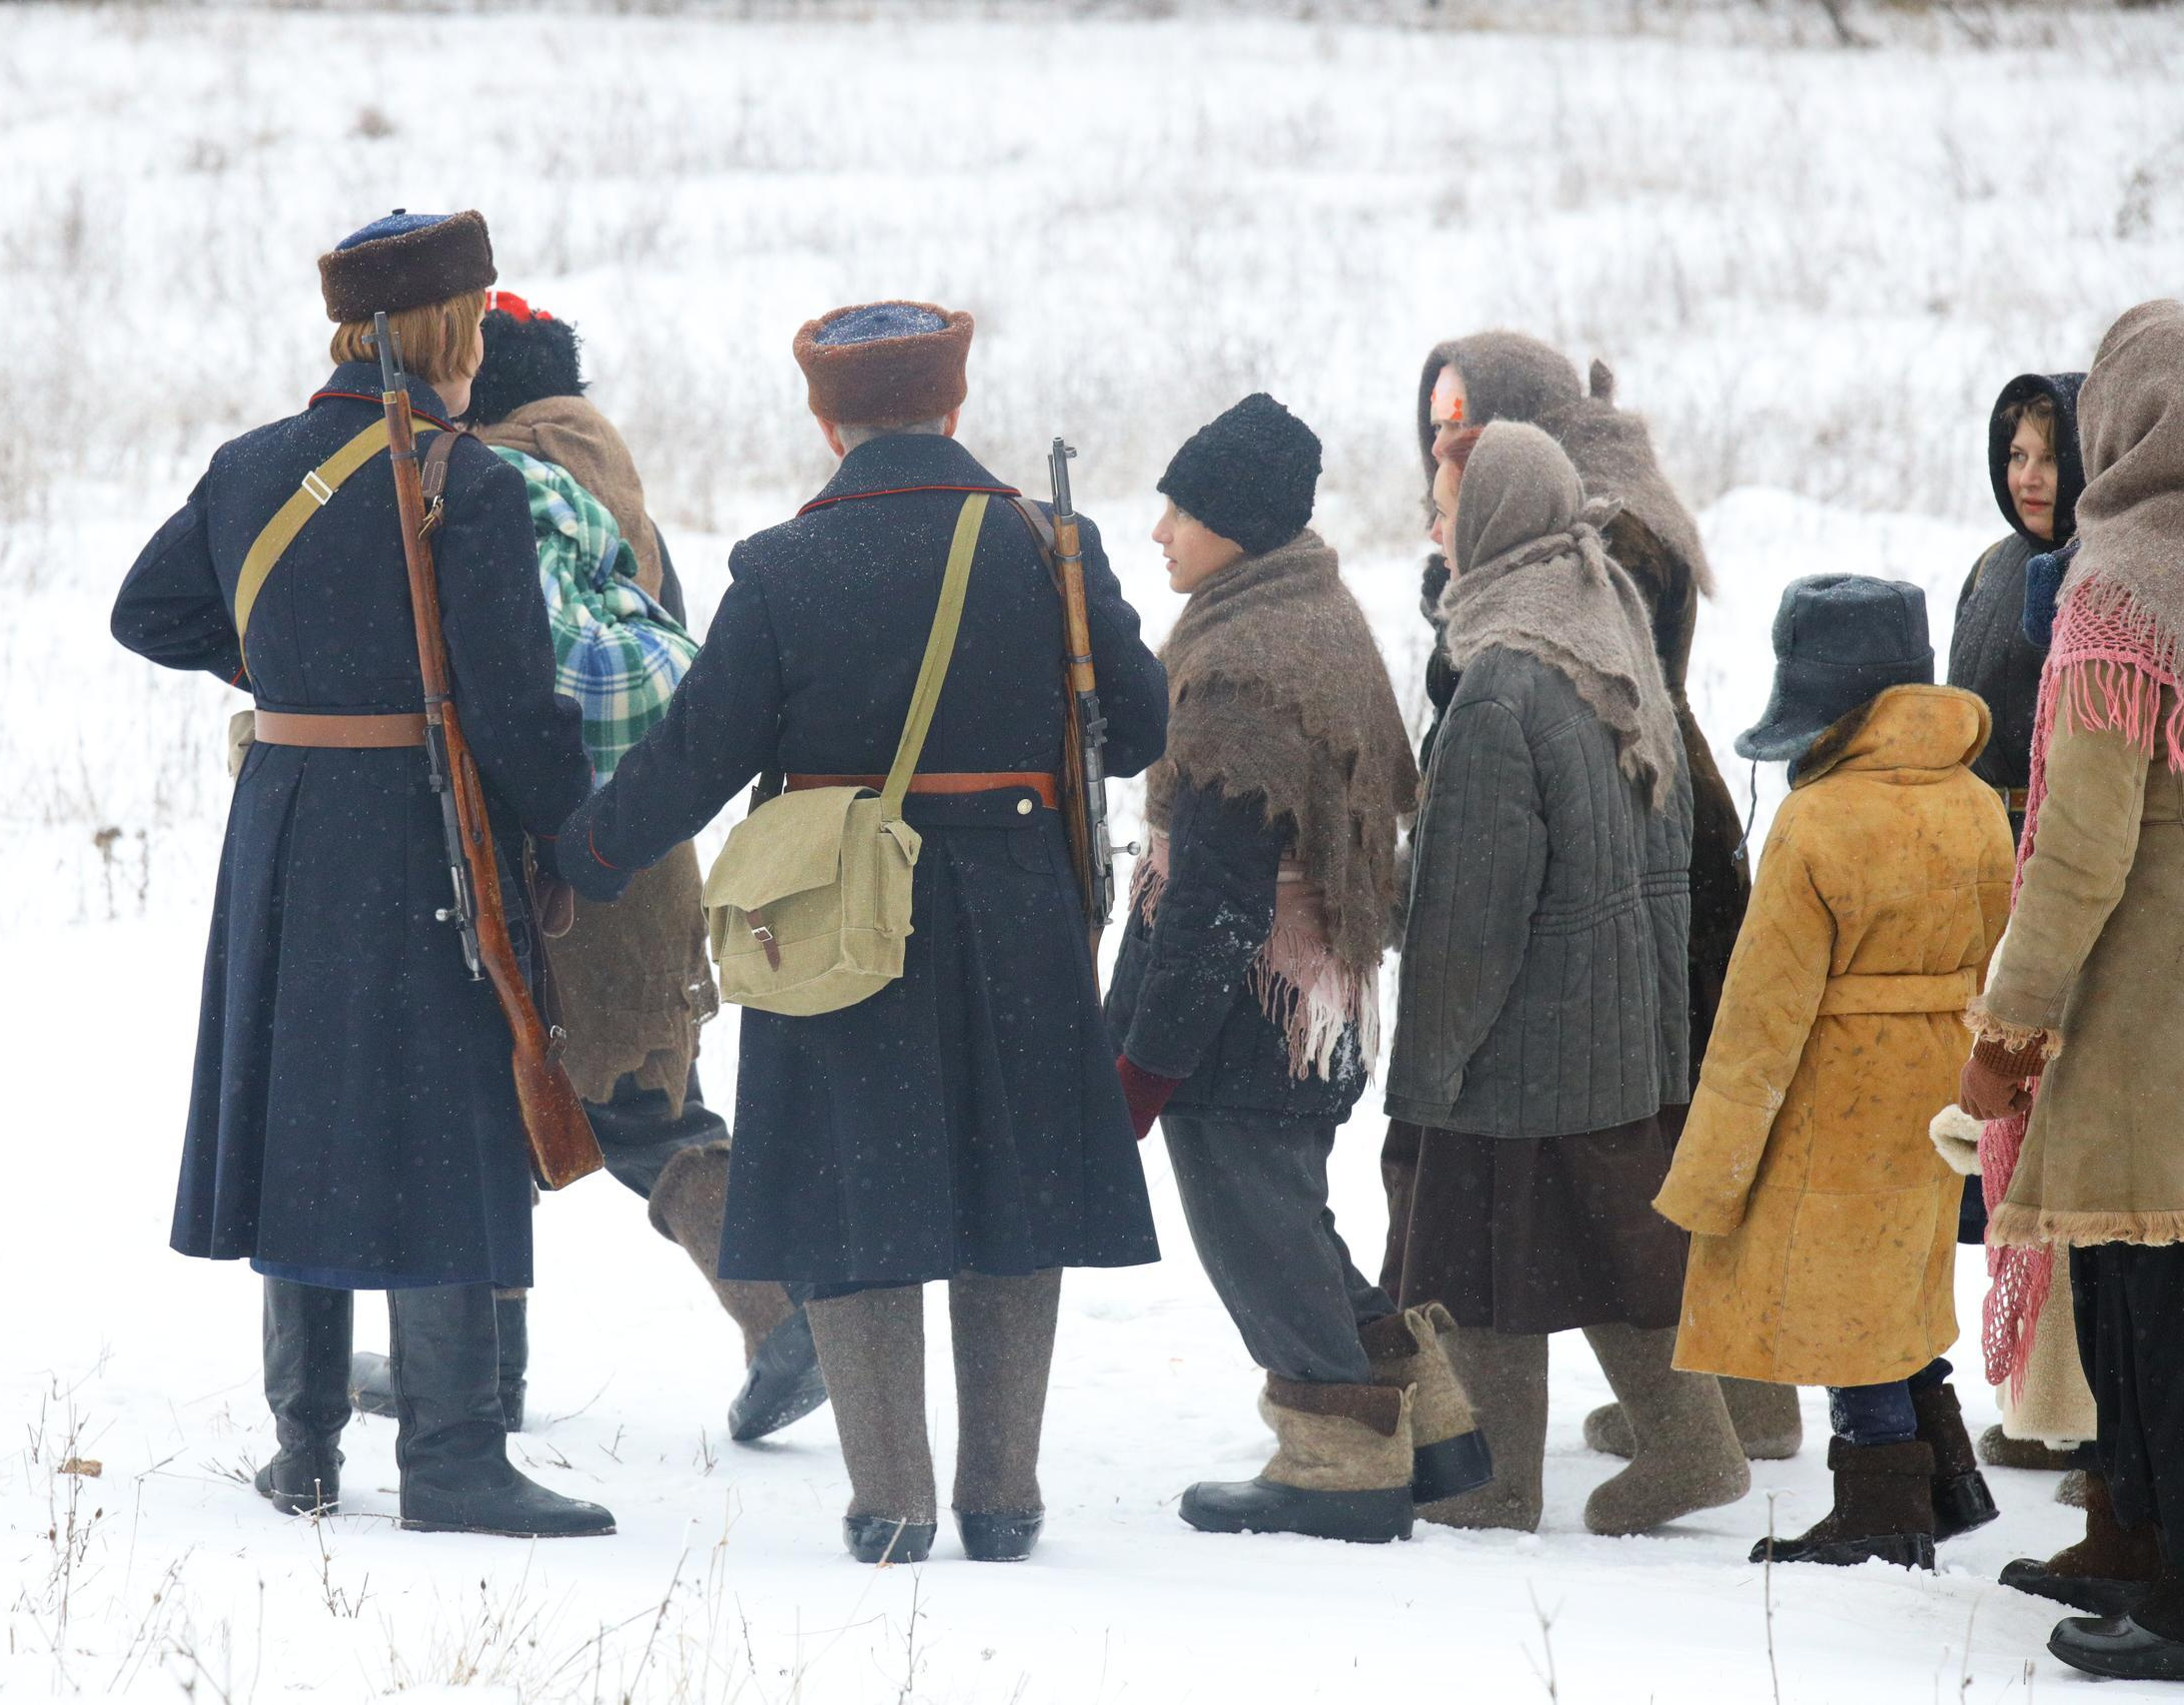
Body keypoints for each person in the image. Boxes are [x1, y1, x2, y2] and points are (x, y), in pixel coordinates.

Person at [557, 301, 1168, 1566]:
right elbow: (1144, 725)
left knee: (852, 1190)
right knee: (1014, 1196)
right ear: (952, 408)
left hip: (836, 923)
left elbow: (700, 756)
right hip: (1017, 911)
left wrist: (588, 854)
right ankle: (1003, 1503)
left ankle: (890, 1505)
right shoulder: (1050, 544)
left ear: (824, 418)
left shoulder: (784, 568)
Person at [109, 210, 611, 1539]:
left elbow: (149, 610)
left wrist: (290, 674)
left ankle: (308, 1447)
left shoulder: (249, 464)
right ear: (452, 327)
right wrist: (572, 836)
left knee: (303, 1115)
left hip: (285, 823)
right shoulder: (469, 479)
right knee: (449, 1117)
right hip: (424, 827)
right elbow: (509, 708)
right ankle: (450, 1456)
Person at [344, 294, 827, 1445]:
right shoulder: (597, 477)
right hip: (627, 851)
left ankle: (783, 1312)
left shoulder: (501, 487)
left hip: (546, 858)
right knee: (587, 1105)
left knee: (589, 1111)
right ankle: (491, 1369)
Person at [1411, 331, 1797, 1467]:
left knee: (1597, 1188)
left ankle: (1716, 1418)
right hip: (1636, 878)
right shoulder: (1589, 559)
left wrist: (1434, 1053)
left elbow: (1478, 894)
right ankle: (1725, 1414)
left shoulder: (1547, 609)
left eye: (1461, 430)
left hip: (1597, 900)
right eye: (1437, 426)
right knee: (1630, 1180)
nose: (1441, 450)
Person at [1104, 395, 1486, 1544]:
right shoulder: (1307, 612)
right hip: (1316, 1000)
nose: (1160, 531)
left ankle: (1337, 1469)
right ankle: (1427, 1426)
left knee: (1257, 1237)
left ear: (1235, 525)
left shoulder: (1242, 675)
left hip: (1252, 1018)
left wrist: (1144, 1067)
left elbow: (1216, 906)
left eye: (1181, 511)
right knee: (1291, 1221)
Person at [1654, 574, 2014, 1571]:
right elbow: (2003, 961)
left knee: (1838, 1299)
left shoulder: (1815, 824)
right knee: (1899, 1283)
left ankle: (1877, 1502)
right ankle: (1942, 1482)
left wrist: (1713, 1167)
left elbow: (1759, 1015)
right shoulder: (1978, 803)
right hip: (1941, 1088)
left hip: (1831, 1095)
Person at [1955, 300, 2184, 1683]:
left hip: (2142, 1013)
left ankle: (2169, 1578)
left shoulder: (2119, 591)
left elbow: (2082, 843)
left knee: (2146, 1299)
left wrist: (2010, 1024)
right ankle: (2141, 1543)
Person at [1943, 371, 2097, 1470]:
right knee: (2001, 1150)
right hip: (1992, 877)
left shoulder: (2114, 576)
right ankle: (2042, 1396)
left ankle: (2078, 1408)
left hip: (2069, 878)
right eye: (2014, 454)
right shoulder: (1995, 570)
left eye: (2048, 451)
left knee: (2065, 1153)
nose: (2029, 476)